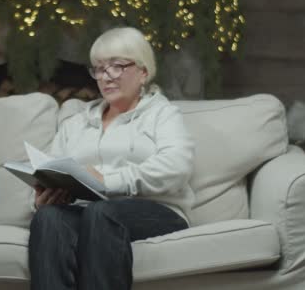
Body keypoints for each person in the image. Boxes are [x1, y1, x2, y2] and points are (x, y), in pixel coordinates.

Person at [28, 27, 195, 290]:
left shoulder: (162, 114)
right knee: (48, 218)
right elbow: (51, 168)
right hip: (88, 212)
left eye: (116, 66)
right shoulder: (76, 122)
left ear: (143, 72)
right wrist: (43, 197)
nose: (106, 77)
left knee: (101, 212)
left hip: (156, 211)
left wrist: (109, 180)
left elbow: (177, 166)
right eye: (99, 68)